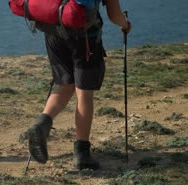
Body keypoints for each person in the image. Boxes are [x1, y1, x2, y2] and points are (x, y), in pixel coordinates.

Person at [26, 0, 132, 170]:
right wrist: (125, 24)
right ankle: (82, 154)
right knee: (84, 93)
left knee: (65, 85)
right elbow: (114, 15)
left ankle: (42, 123)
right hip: (85, 37)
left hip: (53, 31)